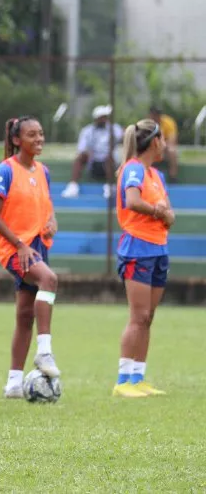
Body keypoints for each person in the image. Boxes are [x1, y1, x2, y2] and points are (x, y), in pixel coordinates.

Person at [0, 116, 61, 399]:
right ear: (17, 140)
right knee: (49, 279)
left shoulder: (44, 171)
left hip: (38, 245)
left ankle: (14, 383)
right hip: (15, 248)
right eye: (32, 134)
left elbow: (47, 206)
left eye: (41, 134)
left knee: (24, 314)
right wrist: (19, 244)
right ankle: (44, 352)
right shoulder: (5, 171)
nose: (38, 139)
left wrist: (52, 221)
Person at [112, 119, 173, 398]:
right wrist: (158, 211)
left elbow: (169, 214)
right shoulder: (133, 168)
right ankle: (123, 380)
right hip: (138, 247)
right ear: (155, 142)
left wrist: (165, 214)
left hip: (158, 248)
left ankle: (138, 377)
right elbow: (133, 201)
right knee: (138, 316)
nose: (166, 145)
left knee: (148, 317)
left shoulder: (156, 175)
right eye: (163, 140)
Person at [61, 105, 123, 199]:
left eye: (105, 117)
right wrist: (88, 153)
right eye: (102, 117)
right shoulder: (87, 131)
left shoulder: (114, 128)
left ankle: (110, 186)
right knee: (80, 157)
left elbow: (123, 136)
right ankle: (73, 186)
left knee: (109, 157)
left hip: (109, 163)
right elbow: (81, 148)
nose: (104, 119)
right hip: (93, 162)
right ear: (96, 118)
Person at [148, 106, 178, 182]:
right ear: (150, 115)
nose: (156, 116)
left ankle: (173, 177)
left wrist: (161, 146)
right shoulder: (146, 124)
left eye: (158, 114)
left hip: (164, 149)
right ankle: (147, 177)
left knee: (172, 150)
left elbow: (172, 140)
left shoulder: (168, 122)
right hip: (151, 149)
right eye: (154, 114)